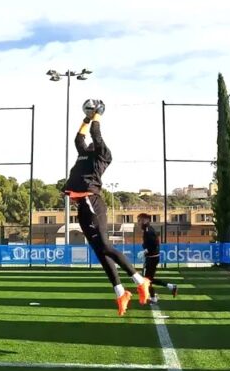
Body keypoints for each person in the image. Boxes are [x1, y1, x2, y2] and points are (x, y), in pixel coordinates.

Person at [63, 99, 150, 316]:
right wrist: (86, 117)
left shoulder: (102, 155)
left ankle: (140, 280)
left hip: (93, 203)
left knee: (106, 246)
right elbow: (78, 137)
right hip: (82, 206)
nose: (90, 144)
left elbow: (95, 134)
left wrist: (97, 115)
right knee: (100, 252)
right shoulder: (84, 153)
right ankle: (121, 292)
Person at [137, 213, 178, 304]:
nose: (138, 223)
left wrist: (145, 251)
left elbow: (154, 245)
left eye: (139, 220)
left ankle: (157, 295)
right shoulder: (147, 230)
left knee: (147, 279)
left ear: (145, 220)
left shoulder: (148, 231)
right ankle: (161, 292)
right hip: (151, 258)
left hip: (152, 258)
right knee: (148, 279)